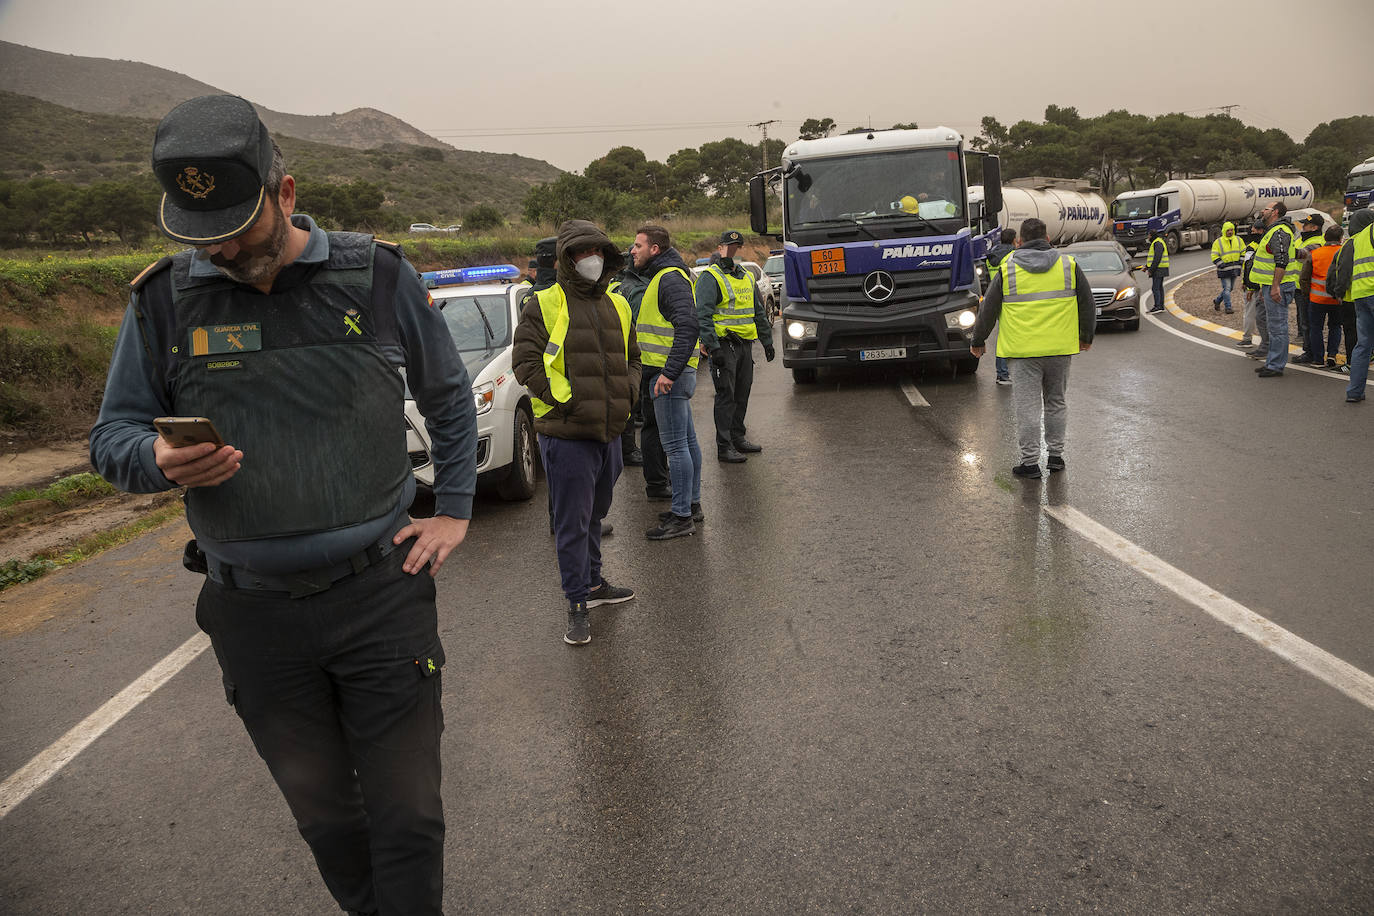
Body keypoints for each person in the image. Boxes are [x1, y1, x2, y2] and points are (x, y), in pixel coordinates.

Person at [87, 95, 477, 916]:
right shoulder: (163, 301)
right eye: (200, 234)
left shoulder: (376, 276)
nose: (222, 248)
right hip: (253, 618)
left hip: (380, 596)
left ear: (286, 193)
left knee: (408, 816)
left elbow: (448, 395)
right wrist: (156, 458)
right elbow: (110, 437)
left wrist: (455, 508)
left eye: (238, 224)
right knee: (329, 822)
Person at [512, 219, 641, 645]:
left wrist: (630, 392)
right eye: (584, 252)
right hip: (566, 434)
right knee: (572, 521)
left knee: (596, 512)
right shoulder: (544, 302)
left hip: (609, 432)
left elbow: (634, 357)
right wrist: (564, 400)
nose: (593, 259)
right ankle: (576, 603)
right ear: (567, 259)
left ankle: (594, 583)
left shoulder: (618, 304)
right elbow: (525, 363)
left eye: (600, 252)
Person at [969, 217, 1094, 479]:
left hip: (1022, 351)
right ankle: (1056, 457)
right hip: (1059, 349)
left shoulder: (1008, 269)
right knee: (1056, 402)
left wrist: (978, 341)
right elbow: (1087, 303)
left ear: (1019, 242)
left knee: (1027, 407)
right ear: (1048, 239)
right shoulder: (1068, 265)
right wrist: (1086, 336)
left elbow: (988, 309)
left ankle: (1030, 463)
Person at [630, 225, 704, 539]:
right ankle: (692, 505)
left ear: (655, 249)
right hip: (672, 374)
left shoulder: (670, 278)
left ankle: (682, 515)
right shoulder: (665, 275)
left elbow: (687, 326)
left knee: (675, 448)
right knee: (686, 442)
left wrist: (669, 373)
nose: (632, 251)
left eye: (637, 245)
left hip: (668, 378)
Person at [696, 229, 774, 463]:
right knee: (726, 395)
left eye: (737, 247)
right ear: (719, 249)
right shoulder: (710, 277)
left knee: (742, 392)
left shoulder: (747, 277)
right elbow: (703, 315)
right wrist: (713, 347)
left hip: (744, 347)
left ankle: (738, 437)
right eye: (728, 247)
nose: (733, 251)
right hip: (724, 345)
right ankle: (724, 445)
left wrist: (767, 341)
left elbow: (759, 312)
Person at [1325, 207, 1374, 403]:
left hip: (1360, 296)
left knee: (1363, 345)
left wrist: (1339, 292)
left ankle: (1354, 392)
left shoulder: (1356, 240)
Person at [1250, 200, 1298, 377]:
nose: (1263, 211)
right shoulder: (1273, 231)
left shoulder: (1279, 232)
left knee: (1278, 328)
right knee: (1274, 327)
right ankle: (1272, 361)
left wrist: (1275, 286)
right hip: (1270, 286)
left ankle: (1276, 365)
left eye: (1266, 209)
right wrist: (1265, 288)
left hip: (1278, 286)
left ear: (1275, 212)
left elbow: (1281, 260)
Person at [610, 249, 648, 469]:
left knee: (627, 406)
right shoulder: (631, 287)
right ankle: (628, 450)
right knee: (629, 408)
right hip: (627, 352)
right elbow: (635, 321)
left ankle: (626, 448)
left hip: (620, 351)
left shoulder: (615, 286)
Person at [1300, 226, 1344, 369]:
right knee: (1335, 326)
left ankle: (1318, 359)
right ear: (1340, 238)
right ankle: (1332, 355)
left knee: (1316, 328)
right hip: (1337, 299)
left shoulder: (1315, 253)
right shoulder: (1344, 252)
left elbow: (1304, 277)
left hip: (1317, 299)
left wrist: (1307, 294)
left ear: (1325, 238)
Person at [985, 228, 1018, 386]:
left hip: (995, 297)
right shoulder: (1013, 256)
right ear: (1014, 240)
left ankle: (1003, 373)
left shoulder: (991, 255)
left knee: (1004, 336)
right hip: (1011, 298)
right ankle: (1004, 373)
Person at [1292, 213, 1326, 361]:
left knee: (1309, 322)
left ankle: (1311, 352)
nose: (1302, 226)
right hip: (1299, 286)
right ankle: (1309, 349)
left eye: (1305, 224)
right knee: (1303, 320)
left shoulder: (1317, 242)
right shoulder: (1301, 239)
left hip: (1309, 288)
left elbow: (1301, 255)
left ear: (1314, 227)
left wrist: (1281, 248)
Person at [1238, 222, 1264, 349]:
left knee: (1249, 313)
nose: (1251, 233)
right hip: (1265, 285)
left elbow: (1249, 267)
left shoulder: (1252, 247)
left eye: (1253, 231)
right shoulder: (1267, 244)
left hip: (1254, 286)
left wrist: (1249, 286)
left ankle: (1247, 338)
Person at [1210, 221, 1243, 314]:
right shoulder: (1218, 242)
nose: (1230, 232)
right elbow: (1214, 256)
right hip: (1224, 270)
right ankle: (1228, 307)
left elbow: (1243, 251)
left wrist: (1241, 261)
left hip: (1235, 269)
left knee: (1229, 288)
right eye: (1228, 230)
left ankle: (1217, 301)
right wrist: (1221, 265)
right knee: (1227, 288)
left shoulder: (1238, 240)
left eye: (1232, 230)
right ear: (1224, 231)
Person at [1145, 227, 1169, 313]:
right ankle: (1160, 306)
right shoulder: (1158, 242)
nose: (1148, 237)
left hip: (1159, 268)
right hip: (1161, 268)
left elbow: (1157, 258)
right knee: (1159, 287)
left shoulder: (1157, 243)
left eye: (1148, 235)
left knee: (1155, 288)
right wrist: (1147, 267)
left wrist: (1151, 270)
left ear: (1151, 236)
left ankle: (1158, 306)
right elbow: (1153, 259)